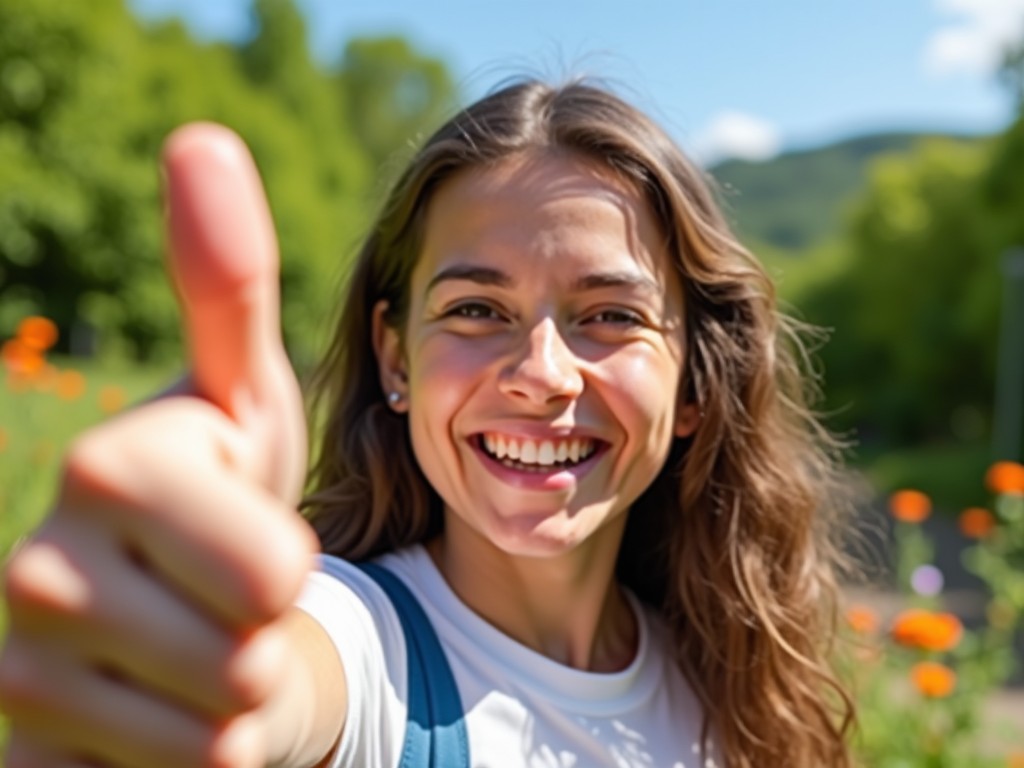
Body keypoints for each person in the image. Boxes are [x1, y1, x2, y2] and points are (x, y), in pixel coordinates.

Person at [0, 79, 855, 767]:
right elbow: (275, 696)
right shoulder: (359, 649)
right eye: (478, 308)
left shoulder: (723, 692)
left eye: (611, 316)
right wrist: (173, 676)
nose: (542, 375)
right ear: (397, 358)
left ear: (695, 387)